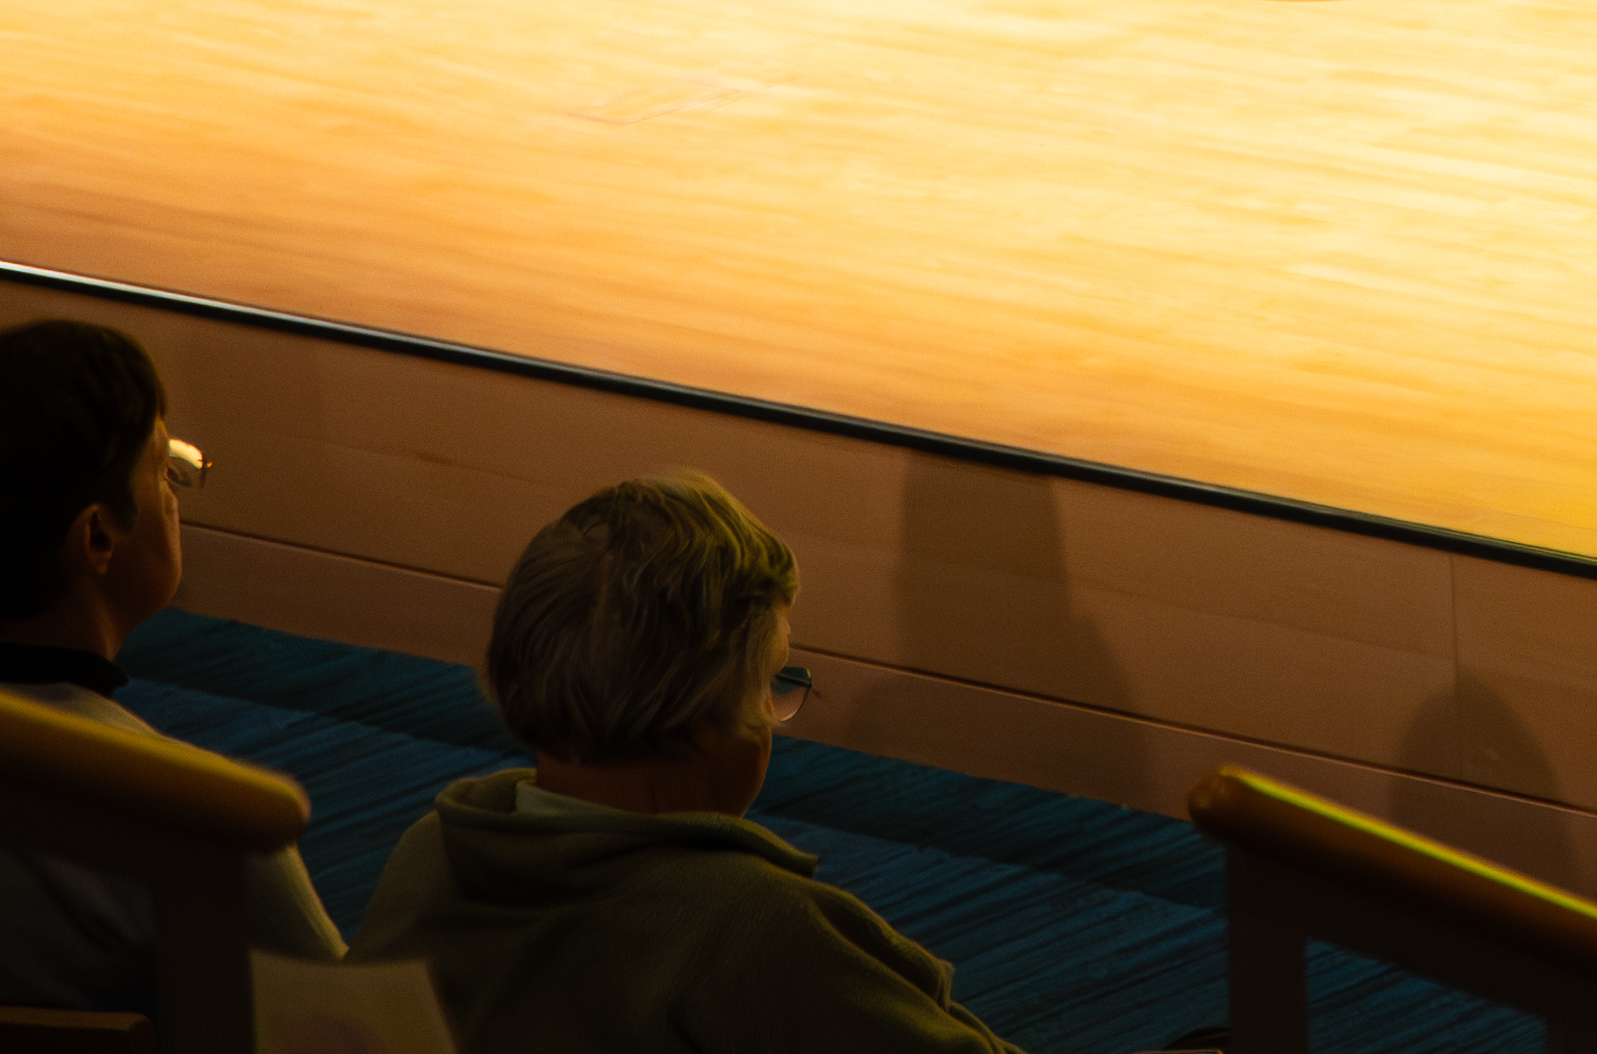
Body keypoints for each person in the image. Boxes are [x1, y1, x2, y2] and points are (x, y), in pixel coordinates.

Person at [351, 472, 1022, 1049]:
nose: (774, 714)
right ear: (707, 723)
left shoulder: (431, 853)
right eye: (771, 686)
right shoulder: (753, 931)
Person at [0, 321, 345, 1011]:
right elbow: (350, 1030)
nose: (176, 494)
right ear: (97, 535)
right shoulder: (208, 823)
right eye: (163, 470)